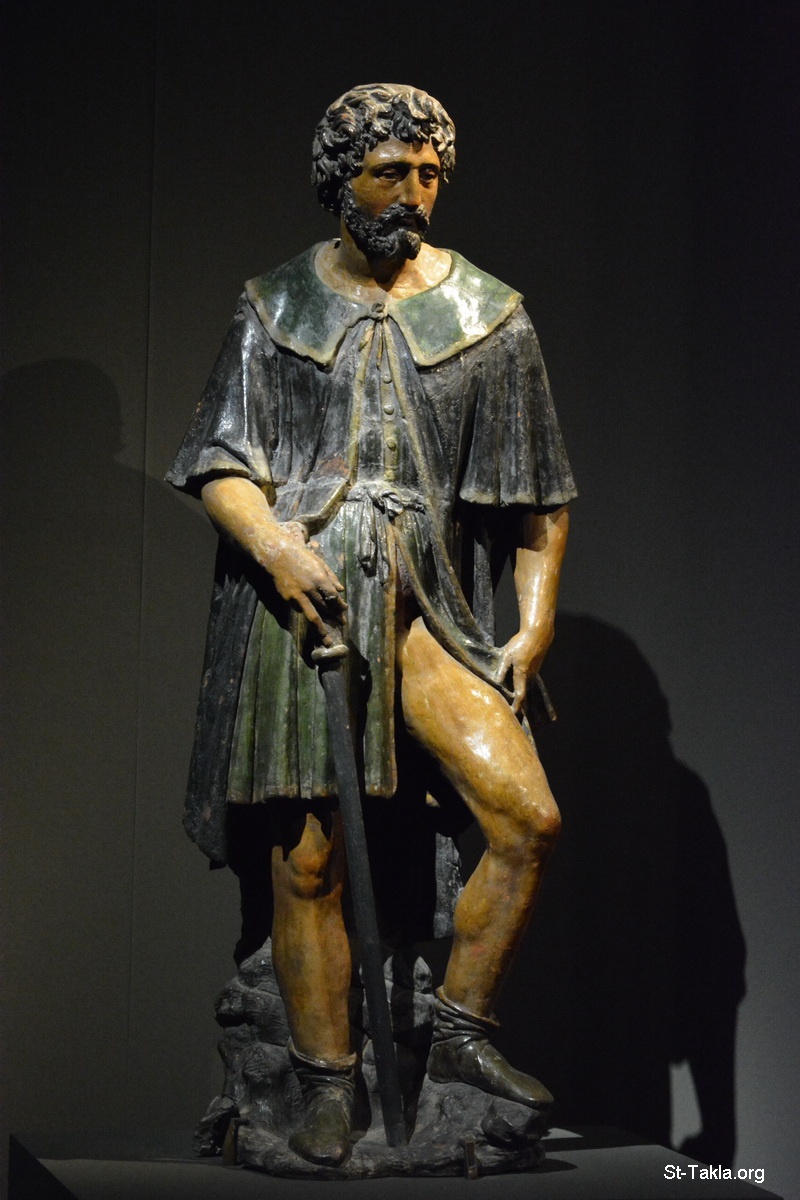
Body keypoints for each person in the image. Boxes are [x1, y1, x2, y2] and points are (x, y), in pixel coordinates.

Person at [167, 83, 577, 1168]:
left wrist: (533, 623)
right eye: (390, 173)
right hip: (302, 606)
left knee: (525, 818)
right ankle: (323, 1080)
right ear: (338, 178)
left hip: (424, 601)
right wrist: (277, 548)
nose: (414, 196)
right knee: (307, 864)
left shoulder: (487, 314)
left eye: (429, 175)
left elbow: (540, 498)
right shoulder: (273, 307)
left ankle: (461, 1035)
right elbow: (219, 462)